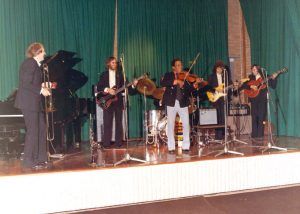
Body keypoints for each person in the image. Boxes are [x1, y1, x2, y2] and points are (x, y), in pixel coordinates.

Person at [14, 42, 51, 169]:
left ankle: (40, 158)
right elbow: (25, 83)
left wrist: (44, 86)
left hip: (33, 103)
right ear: (37, 52)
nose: (45, 53)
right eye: (43, 51)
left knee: (41, 129)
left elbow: (32, 83)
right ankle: (28, 161)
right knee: (33, 132)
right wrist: (41, 90)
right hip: (29, 103)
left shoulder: (34, 64)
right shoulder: (30, 63)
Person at [160, 58, 201, 153]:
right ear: (173, 67)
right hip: (171, 102)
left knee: (186, 124)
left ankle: (186, 146)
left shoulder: (185, 76)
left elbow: (189, 89)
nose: (180, 67)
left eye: (181, 65)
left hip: (183, 102)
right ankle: (171, 147)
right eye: (178, 65)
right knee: (170, 125)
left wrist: (194, 85)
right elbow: (163, 83)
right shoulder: (168, 75)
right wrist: (177, 81)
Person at [97, 56, 137, 148]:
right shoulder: (104, 75)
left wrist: (133, 85)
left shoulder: (121, 75)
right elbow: (99, 87)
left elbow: (128, 89)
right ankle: (106, 143)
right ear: (108, 64)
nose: (115, 64)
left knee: (119, 122)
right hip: (107, 100)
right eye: (113, 62)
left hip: (118, 101)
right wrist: (108, 89)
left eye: (116, 63)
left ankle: (118, 143)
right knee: (107, 122)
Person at [241, 65, 277, 138]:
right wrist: (250, 86)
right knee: (254, 117)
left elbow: (273, 86)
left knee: (261, 117)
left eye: (254, 69)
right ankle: (254, 135)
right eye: (252, 69)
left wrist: (274, 79)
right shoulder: (250, 77)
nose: (253, 71)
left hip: (262, 100)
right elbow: (243, 86)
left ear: (258, 70)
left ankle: (260, 135)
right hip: (253, 98)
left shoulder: (264, 76)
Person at [208, 60, 232, 140]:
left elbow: (230, 85)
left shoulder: (225, 77)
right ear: (215, 68)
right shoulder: (211, 77)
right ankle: (217, 136)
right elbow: (208, 88)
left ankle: (223, 135)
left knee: (223, 116)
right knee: (217, 117)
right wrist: (216, 89)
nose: (219, 70)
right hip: (215, 98)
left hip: (223, 98)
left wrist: (233, 85)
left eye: (221, 68)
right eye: (218, 68)